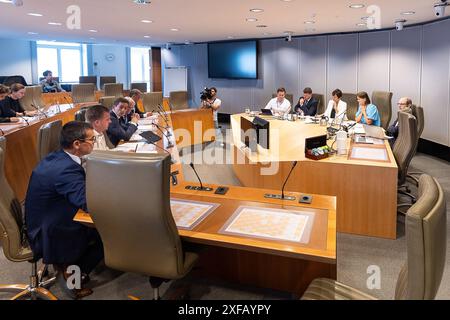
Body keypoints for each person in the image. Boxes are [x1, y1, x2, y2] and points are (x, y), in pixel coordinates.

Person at [25, 121, 104, 299]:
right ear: (77, 144)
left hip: (42, 219)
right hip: (50, 231)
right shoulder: (66, 170)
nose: (94, 142)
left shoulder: (58, 157)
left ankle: (67, 265)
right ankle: (75, 277)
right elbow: (88, 204)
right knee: (107, 234)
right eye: (92, 139)